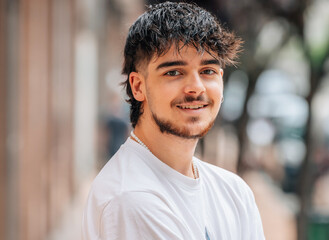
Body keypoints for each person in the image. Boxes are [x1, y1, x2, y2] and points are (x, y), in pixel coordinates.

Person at [82, 2, 265, 239]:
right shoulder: (129, 197)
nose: (196, 88)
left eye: (207, 71)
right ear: (138, 86)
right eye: (173, 72)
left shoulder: (234, 192)